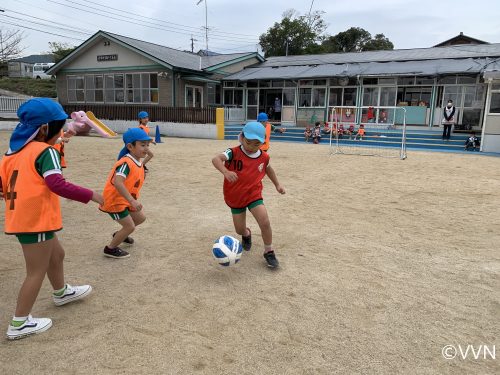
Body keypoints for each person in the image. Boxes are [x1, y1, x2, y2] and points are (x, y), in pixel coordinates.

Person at [0, 98, 103, 340]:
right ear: (45, 128)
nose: (61, 131)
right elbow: (57, 184)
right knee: (36, 271)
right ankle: (19, 323)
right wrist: (94, 196)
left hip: (26, 218)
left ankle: (61, 292)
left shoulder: (12, 153)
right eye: (59, 126)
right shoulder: (46, 152)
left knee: (56, 255)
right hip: (35, 220)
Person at [211, 121, 285, 268]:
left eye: (256, 144)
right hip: (235, 196)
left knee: (264, 221)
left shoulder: (264, 157)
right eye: (248, 142)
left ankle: (269, 251)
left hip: (253, 194)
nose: (251, 147)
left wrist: (278, 184)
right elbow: (216, 159)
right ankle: (246, 234)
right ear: (242, 138)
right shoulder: (232, 152)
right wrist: (226, 172)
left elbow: (268, 169)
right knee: (239, 229)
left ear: (262, 143)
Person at [100, 128, 151, 259]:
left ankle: (120, 234)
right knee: (130, 226)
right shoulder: (126, 163)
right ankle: (110, 249)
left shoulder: (137, 160)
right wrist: (132, 200)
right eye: (142, 145)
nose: (146, 148)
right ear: (130, 146)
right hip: (115, 200)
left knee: (140, 218)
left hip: (125, 200)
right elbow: (118, 182)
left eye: (148, 145)